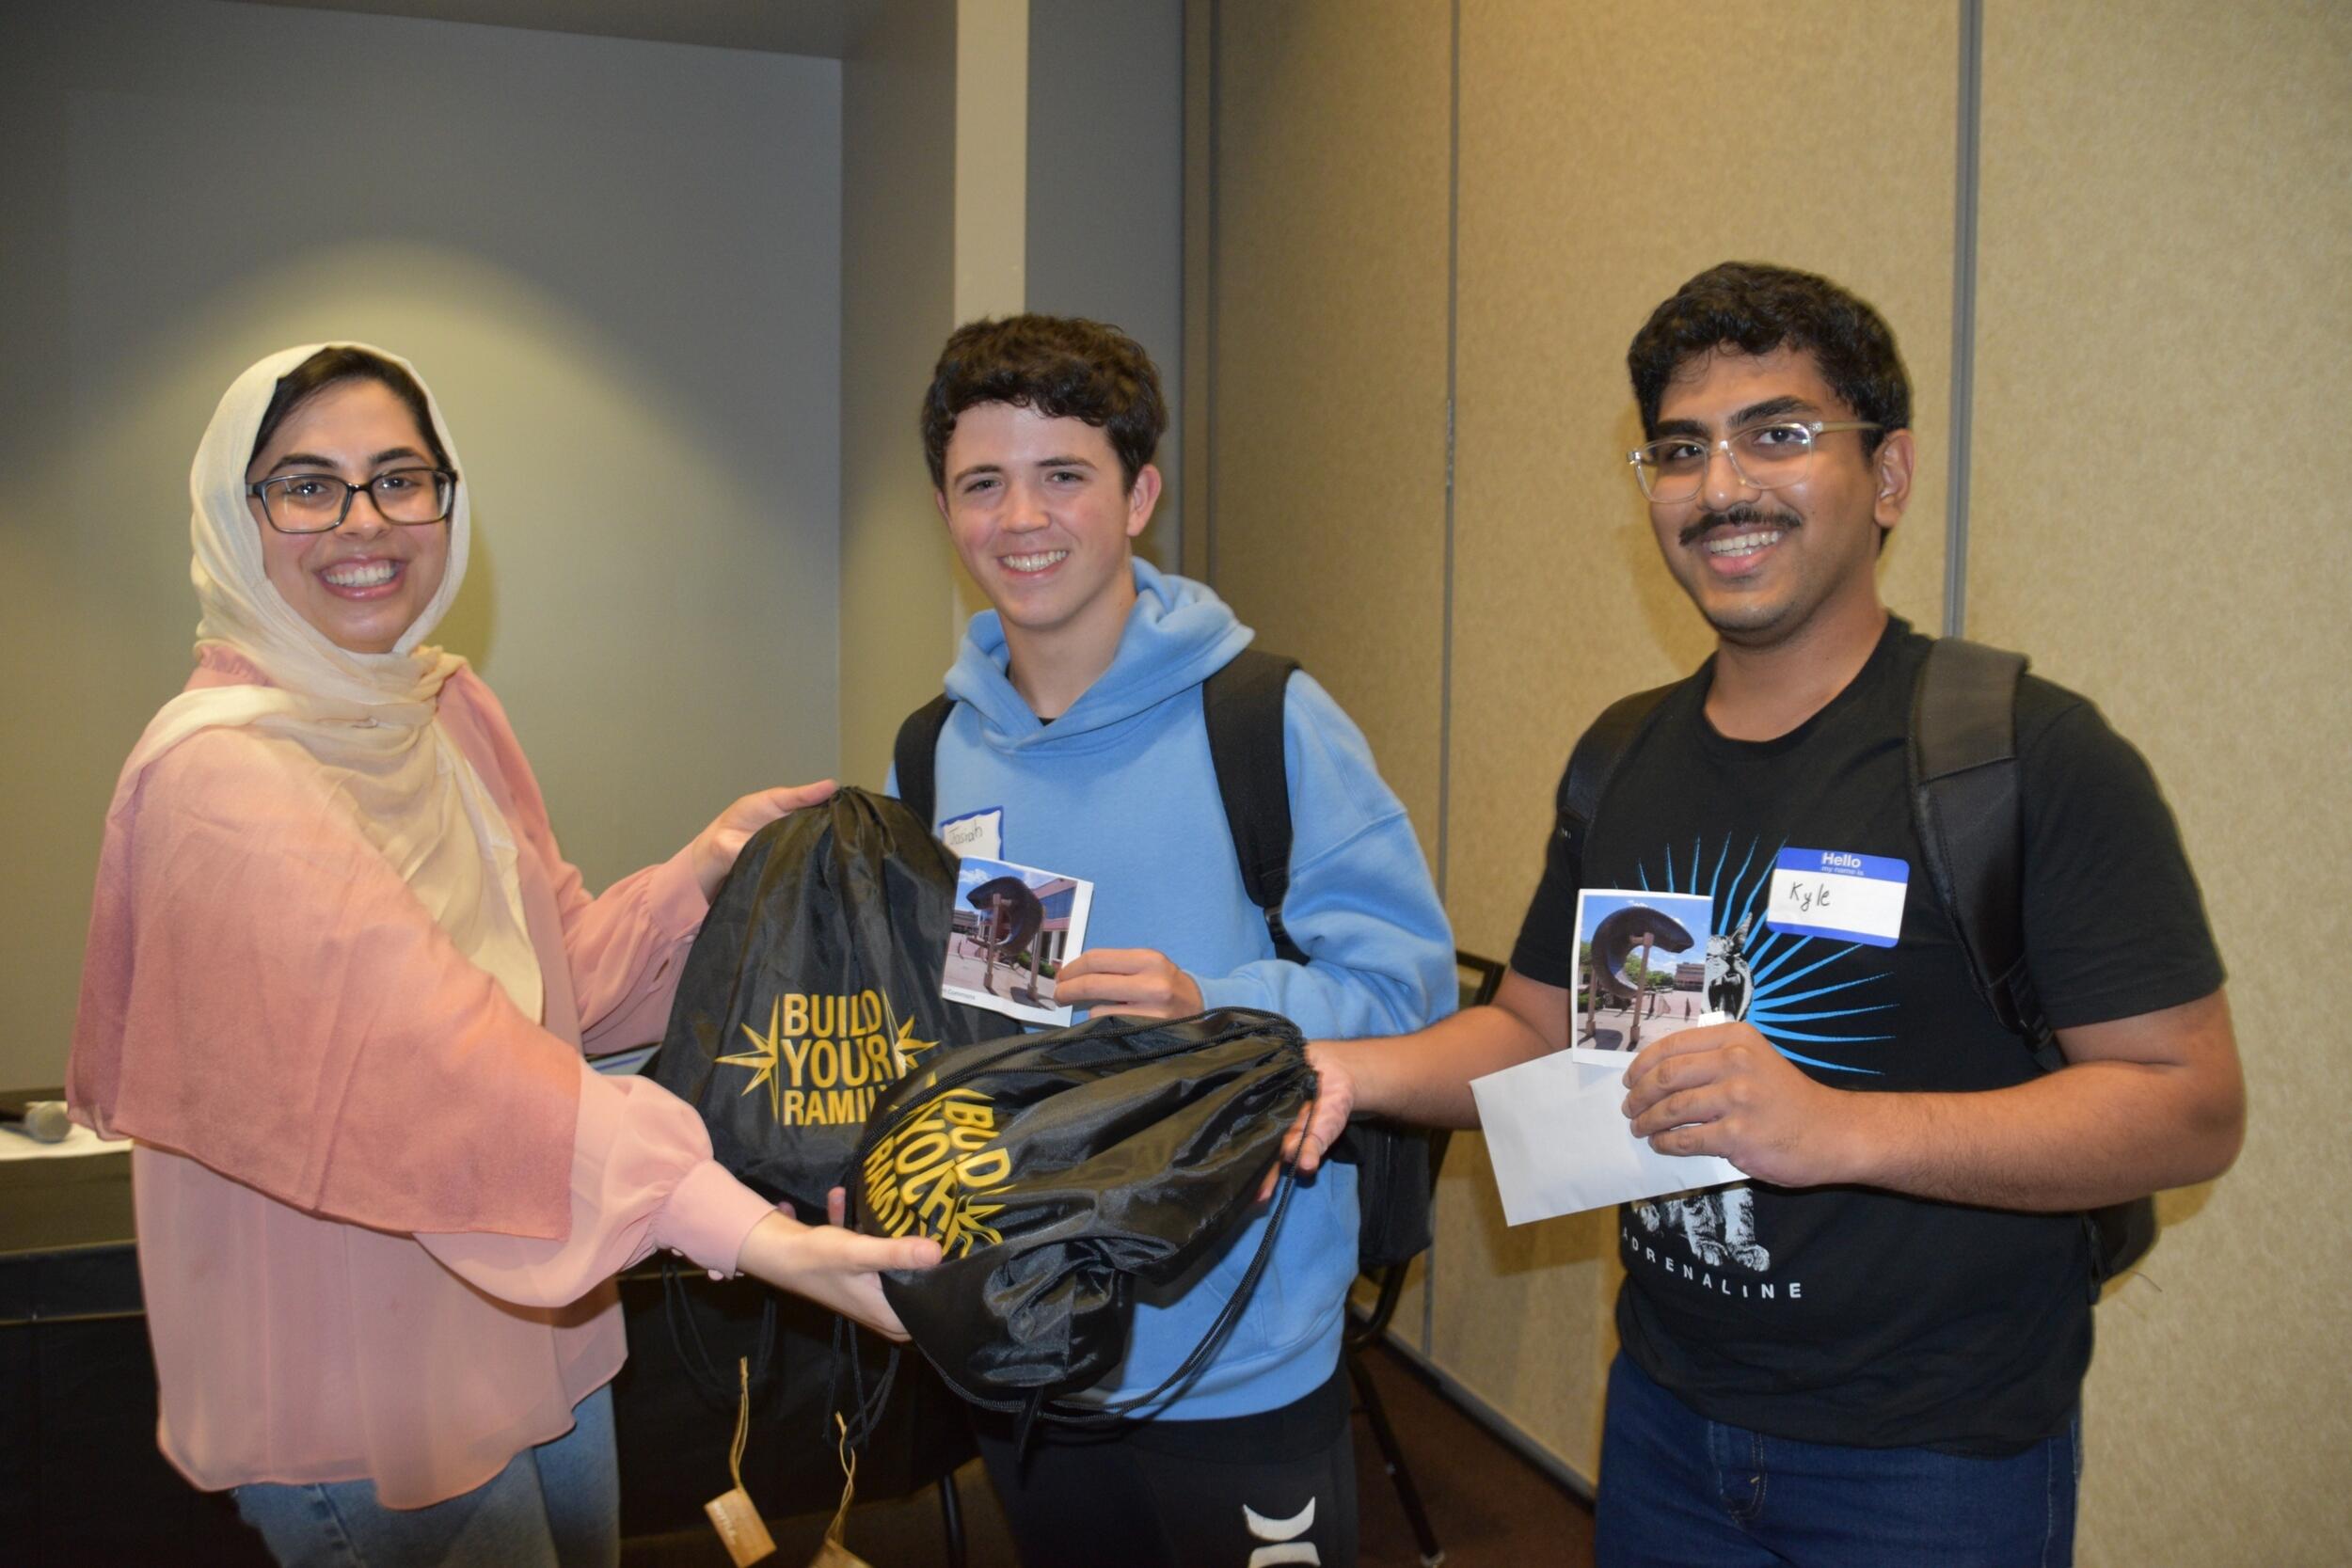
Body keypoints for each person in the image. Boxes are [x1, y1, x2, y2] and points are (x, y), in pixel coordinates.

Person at [1295, 263, 2244, 1565]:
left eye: (1780, 433)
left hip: (1933, 1458)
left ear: (1889, 477)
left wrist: (1836, 1130)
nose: (1722, 486)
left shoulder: (2023, 753)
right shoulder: (1622, 757)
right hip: (1666, 1422)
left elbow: (2187, 1103)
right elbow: (1530, 1030)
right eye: (1682, 450)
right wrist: (1349, 1072)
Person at [66, 343, 940, 1568]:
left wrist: (704, 871)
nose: (363, 522)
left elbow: (548, 982)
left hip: (533, 1318)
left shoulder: (442, 709)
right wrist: (752, 1234)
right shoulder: (218, 777)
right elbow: (435, 1057)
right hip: (362, 1380)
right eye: (306, 485)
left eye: (399, 477)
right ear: (234, 512)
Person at [901, 314, 1456, 1568]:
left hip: (1238, 1348)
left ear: (1139, 494)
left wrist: (1217, 1000)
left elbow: (1410, 991)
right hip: (1028, 1335)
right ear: (946, 508)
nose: (1022, 517)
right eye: (983, 483)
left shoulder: (1267, 720)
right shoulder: (935, 750)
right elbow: (965, 1022)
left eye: (1065, 476)